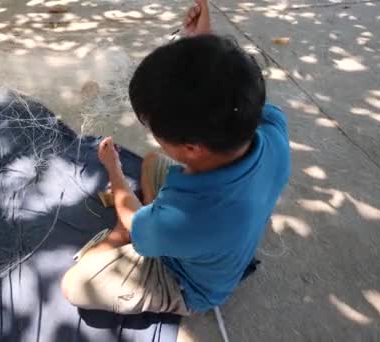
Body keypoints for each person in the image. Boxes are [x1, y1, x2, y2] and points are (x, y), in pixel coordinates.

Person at [60, 0, 291, 316]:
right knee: (153, 162)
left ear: (193, 148)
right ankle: (151, 223)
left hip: (189, 283)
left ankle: (137, 231)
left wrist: (113, 170)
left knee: (75, 283)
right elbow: (228, 93)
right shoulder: (272, 127)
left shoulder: (191, 216)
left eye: (152, 128)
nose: (153, 133)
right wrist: (204, 48)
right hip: (224, 228)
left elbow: (147, 214)